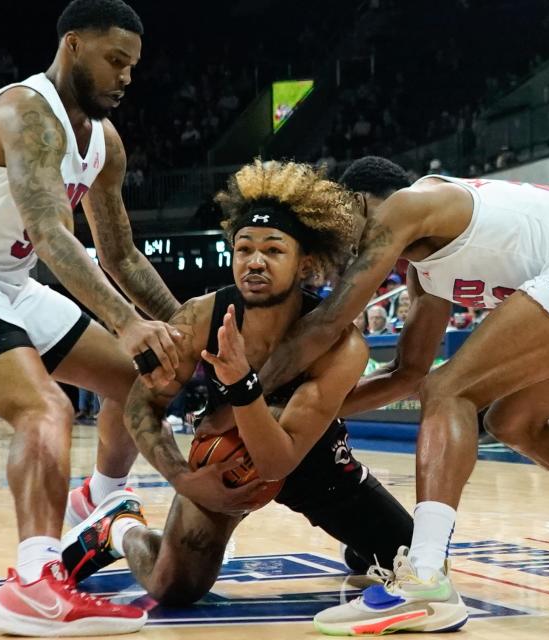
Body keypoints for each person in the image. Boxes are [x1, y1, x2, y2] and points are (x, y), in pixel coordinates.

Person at [254, 156, 549, 635]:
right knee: (511, 421)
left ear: (359, 202)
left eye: (342, 224)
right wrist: (306, 411)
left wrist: (247, 397)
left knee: (450, 392)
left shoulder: (405, 206)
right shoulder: (424, 270)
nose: (343, 241)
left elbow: (329, 322)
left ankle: (425, 580)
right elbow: (407, 373)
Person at [0, 1, 187, 635]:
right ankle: (32, 584)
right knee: (46, 408)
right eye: (114, 61)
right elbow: (50, 232)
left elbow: (121, 254)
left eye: (133, 66)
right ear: (73, 46)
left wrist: (189, 326)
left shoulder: (105, 142)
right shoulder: (24, 113)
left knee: (139, 382)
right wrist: (128, 324)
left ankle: (94, 506)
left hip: (6, 282)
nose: (126, 76)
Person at [61, 159, 413, 604]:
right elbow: (139, 405)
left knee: (415, 563)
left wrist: (243, 384)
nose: (255, 262)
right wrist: (183, 478)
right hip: (226, 463)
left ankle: (361, 544)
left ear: (305, 264)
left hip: (311, 462)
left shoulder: (343, 345)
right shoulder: (201, 315)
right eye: (244, 249)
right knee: (174, 586)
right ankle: (118, 528)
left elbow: (277, 463)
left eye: (273, 250)